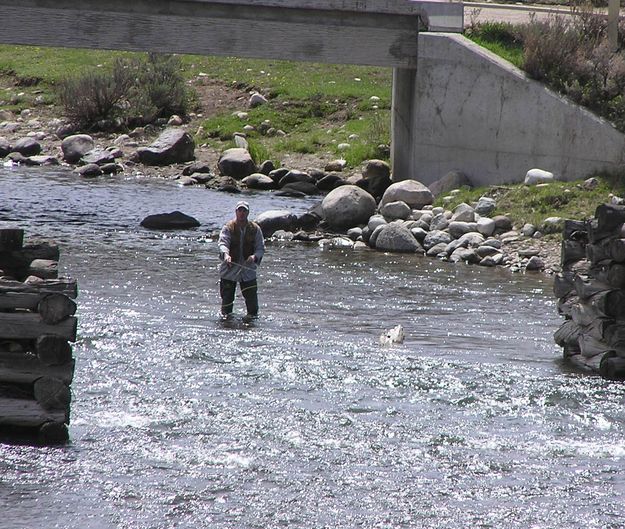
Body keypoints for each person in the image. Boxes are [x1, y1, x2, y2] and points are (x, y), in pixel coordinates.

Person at [218, 201, 265, 318]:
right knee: (226, 309)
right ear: (236, 212)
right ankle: (227, 326)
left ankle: (251, 326)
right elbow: (223, 244)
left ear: (248, 213)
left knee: (253, 309)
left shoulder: (255, 229)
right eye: (240, 210)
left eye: (244, 211)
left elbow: (260, 248)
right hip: (229, 270)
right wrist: (226, 255)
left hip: (248, 270)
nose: (242, 213)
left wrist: (254, 257)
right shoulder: (228, 228)